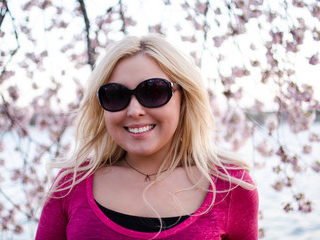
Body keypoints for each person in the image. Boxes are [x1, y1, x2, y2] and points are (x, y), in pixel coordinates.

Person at [35, 34, 259, 239]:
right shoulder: (70, 185)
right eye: (115, 95)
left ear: (185, 100)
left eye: (153, 92)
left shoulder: (231, 187)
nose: (134, 111)